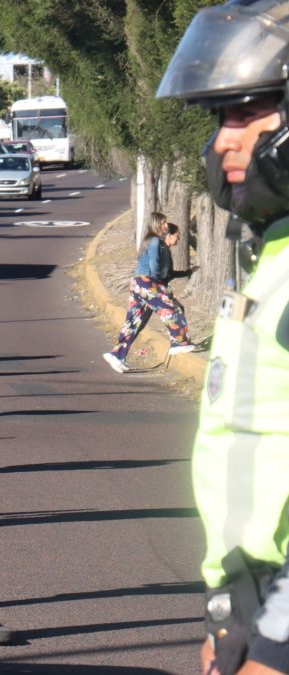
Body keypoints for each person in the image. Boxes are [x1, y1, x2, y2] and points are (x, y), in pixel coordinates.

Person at [157, 1, 289, 672]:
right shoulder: (273, 255)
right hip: (248, 593)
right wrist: (228, 612)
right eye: (219, 119)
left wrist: (276, 641)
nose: (224, 141)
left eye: (246, 113)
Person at [102, 214, 197, 373]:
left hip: (139, 283)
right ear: (158, 224)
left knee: (134, 321)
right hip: (147, 282)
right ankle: (179, 342)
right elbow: (154, 267)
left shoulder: (155, 243)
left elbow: (165, 271)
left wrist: (186, 272)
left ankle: (117, 355)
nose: (166, 224)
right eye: (164, 222)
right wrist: (160, 288)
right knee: (172, 308)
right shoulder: (154, 241)